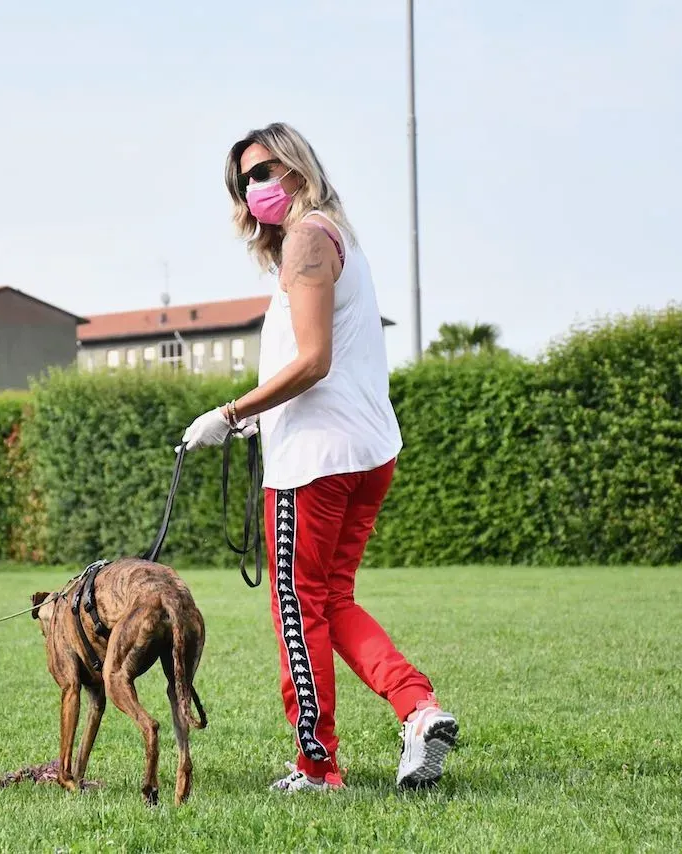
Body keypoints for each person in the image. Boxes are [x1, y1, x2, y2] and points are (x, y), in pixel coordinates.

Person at [180, 122, 458, 792]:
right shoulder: (336, 238)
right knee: (331, 602)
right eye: (245, 179)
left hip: (314, 464)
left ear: (300, 168)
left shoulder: (308, 236)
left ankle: (317, 765)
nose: (257, 187)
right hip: (363, 450)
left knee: (298, 613)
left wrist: (229, 413)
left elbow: (312, 360)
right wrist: (260, 421)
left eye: (266, 169)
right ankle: (418, 710)